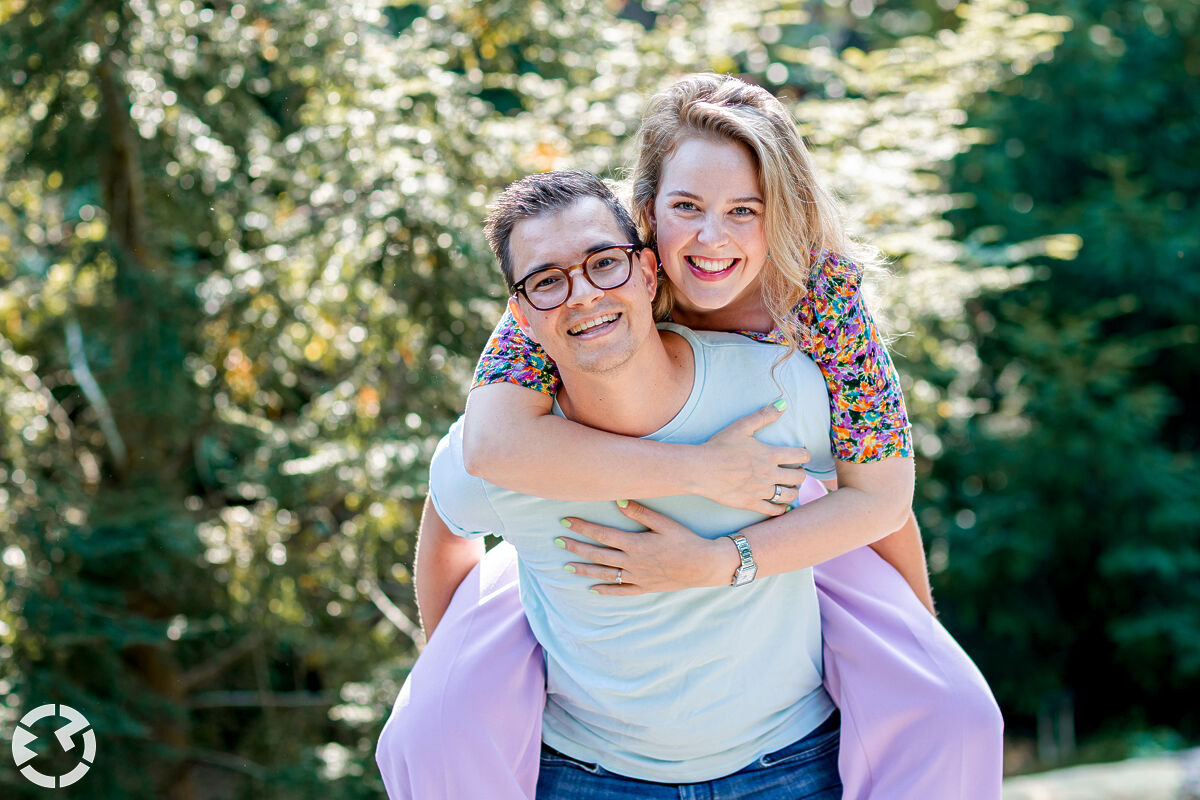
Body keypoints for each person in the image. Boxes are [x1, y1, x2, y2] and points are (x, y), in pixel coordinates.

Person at [377, 74, 1003, 799]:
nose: (712, 238)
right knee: (433, 730)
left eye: (746, 210)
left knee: (953, 709)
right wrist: (699, 469)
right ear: (647, 216)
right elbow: (491, 449)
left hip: (781, 499)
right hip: (586, 490)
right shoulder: (593, 265)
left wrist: (912, 636)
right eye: (686, 209)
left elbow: (880, 494)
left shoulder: (820, 292)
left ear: (785, 214)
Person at [407, 170, 845, 797]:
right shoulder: (501, 453)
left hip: (790, 760)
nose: (582, 294)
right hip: (589, 775)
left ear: (646, 272)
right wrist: (453, 674)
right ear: (522, 316)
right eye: (547, 281)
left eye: (604, 263)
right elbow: (447, 529)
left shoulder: (777, 389)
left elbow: (874, 501)